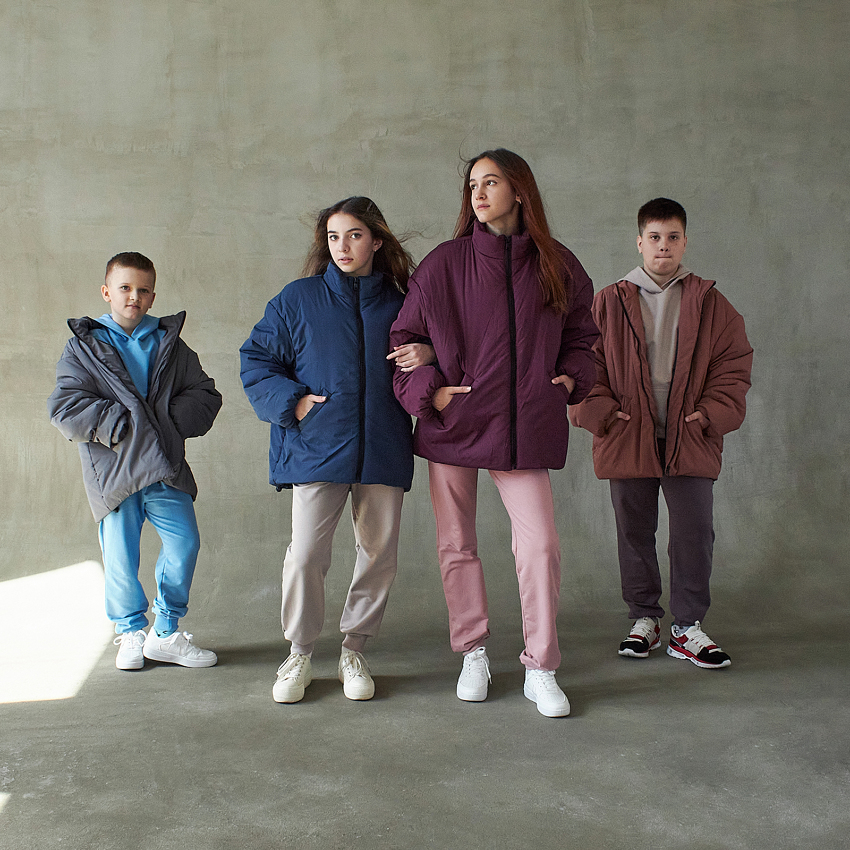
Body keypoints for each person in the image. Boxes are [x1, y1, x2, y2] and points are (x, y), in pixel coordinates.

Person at [390, 149, 599, 717]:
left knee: (541, 545)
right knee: (457, 545)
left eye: (491, 182)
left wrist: (568, 380)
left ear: (519, 190)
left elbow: (584, 337)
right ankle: (473, 652)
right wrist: (431, 393)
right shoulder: (444, 264)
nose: (478, 194)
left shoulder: (558, 264)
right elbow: (403, 343)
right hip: (454, 425)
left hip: (524, 425)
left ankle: (541, 666)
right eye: (472, 185)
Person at [240, 197, 433, 704]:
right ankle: (299, 653)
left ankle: (354, 650)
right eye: (332, 237)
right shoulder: (298, 299)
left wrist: (430, 352)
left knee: (379, 555)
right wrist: (295, 402)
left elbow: (443, 351)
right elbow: (256, 360)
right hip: (317, 446)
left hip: (384, 444)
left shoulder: (401, 302)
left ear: (376, 240)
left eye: (353, 235)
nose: (341, 246)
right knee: (306, 554)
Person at [569, 198, 753, 668]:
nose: (663, 246)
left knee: (694, 532)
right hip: (627, 434)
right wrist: (604, 414)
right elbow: (582, 362)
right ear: (639, 242)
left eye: (673, 237)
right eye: (654, 237)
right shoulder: (608, 302)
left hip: (690, 435)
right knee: (634, 531)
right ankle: (644, 618)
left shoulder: (711, 303)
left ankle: (687, 627)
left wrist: (709, 415)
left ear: (685, 242)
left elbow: (733, 366)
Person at [48, 252, 222, 670]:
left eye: (143, 290)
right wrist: (122, 426)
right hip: (115, 469)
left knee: (184, 543)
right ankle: (130, 632)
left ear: (153, 296)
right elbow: (65, 405)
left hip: (164, 467)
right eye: (125, 287)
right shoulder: (84, 347)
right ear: (107, 292)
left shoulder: (170, 344)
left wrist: (167, 423)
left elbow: (205, 394)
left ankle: (165, 632)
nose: (134, 297)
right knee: (120, 556)